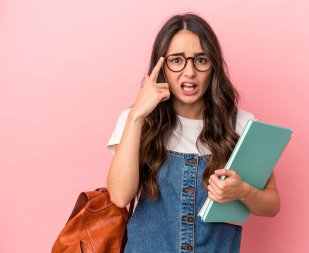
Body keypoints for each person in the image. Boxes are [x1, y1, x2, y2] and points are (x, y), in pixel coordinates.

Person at [106, 12, 280, 253]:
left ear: (213, 66)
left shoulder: (242, 125)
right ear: (162, 66)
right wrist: (137, 115)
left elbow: (271, 205)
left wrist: (243, 191)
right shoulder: (136, 120)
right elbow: (119, 196)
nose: (189, 72)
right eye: (177, 60)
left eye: (200, 60)